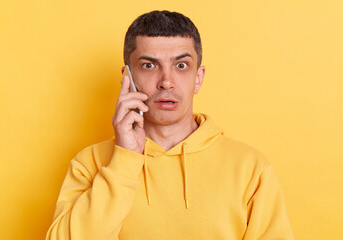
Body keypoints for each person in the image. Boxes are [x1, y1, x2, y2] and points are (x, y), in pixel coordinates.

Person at [46, 10, 294, 240]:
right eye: (149, 65)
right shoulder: (89, 164)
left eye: (181, 65)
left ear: (198, 78)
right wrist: (124, 159)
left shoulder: (251, 168)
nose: (166, 82)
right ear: (127, 78)